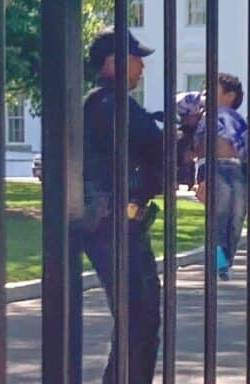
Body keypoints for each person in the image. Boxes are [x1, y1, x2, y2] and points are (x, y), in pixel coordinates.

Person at [79, 28, 163, 384]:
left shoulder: (105, 104)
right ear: (113, 61)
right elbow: (158, 148)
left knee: (139, 320)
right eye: (135, 58)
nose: (141, 66)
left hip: (119, 225)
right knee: (139, 319)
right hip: (113, 226)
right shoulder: (109, 105)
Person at [176, 74, 249, 281]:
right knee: (220, 214)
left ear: (230, 96)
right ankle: (218, 263)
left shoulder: (236, 119)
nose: (205, 95)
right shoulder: (202, 116)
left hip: (235, 169)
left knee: (236, 216)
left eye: (212, 90)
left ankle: (226, 260)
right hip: (211, 167)